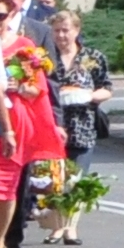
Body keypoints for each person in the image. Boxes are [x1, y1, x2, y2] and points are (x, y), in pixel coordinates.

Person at [0, 0, 66, 248]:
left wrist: (19, 86)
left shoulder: (24, 46)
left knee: (5, 187)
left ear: (11, 15)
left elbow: (38, 89)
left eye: (0, 16)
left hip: (13, 121)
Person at [47, 9, 112, 179]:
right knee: (51, 183)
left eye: (65, 30)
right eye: (56, 30)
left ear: (76, 30)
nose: (61, 35)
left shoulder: (93, 57)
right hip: (52, 128)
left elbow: (106, 88)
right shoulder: (45, 57)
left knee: (74, 183)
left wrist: (89, 96)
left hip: (82, 128)